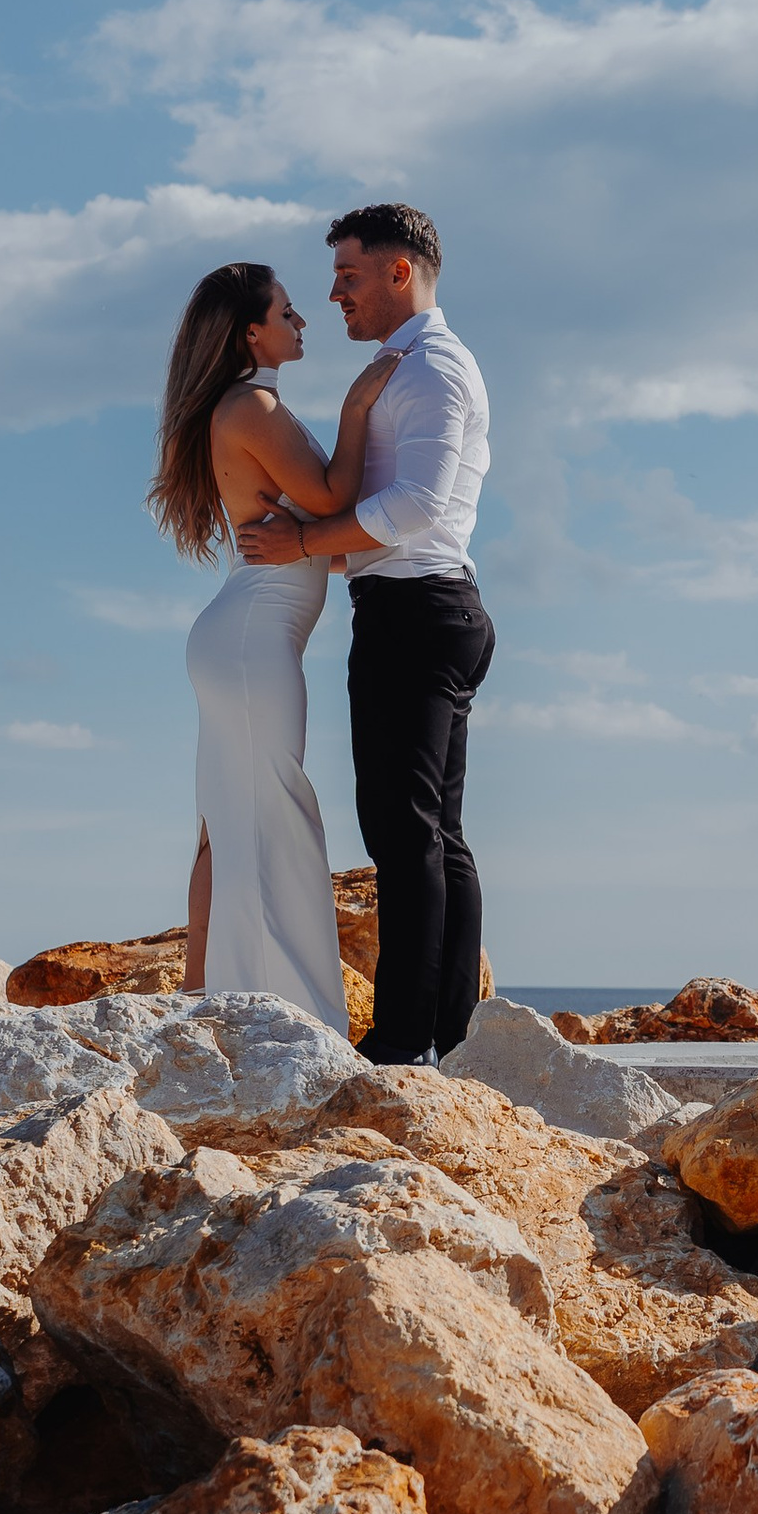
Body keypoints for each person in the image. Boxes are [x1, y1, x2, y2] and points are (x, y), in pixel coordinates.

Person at [239, 203, 493, 1065]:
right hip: (420, 604)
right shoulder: (406, 366)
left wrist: (305, 543)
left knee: (403, 834)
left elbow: (416, 507)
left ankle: (404, 1043)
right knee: (431, 832)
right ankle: (449, 1038)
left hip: (418, 615)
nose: (335, 295)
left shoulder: (432, 370)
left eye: (348, 276)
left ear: (398, 272)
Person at [147, 259, 396, 1033]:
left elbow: (318, 517)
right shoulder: (251, 404)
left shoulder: (246, 403)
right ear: (251, 331)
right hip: (254, 641)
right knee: (278, 816)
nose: (302, 322)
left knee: (230, 822)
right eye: (288, 313)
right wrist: (358, 408)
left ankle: (209, 1008)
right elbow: (329, 499)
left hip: (240, 637)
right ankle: (295, 1020)